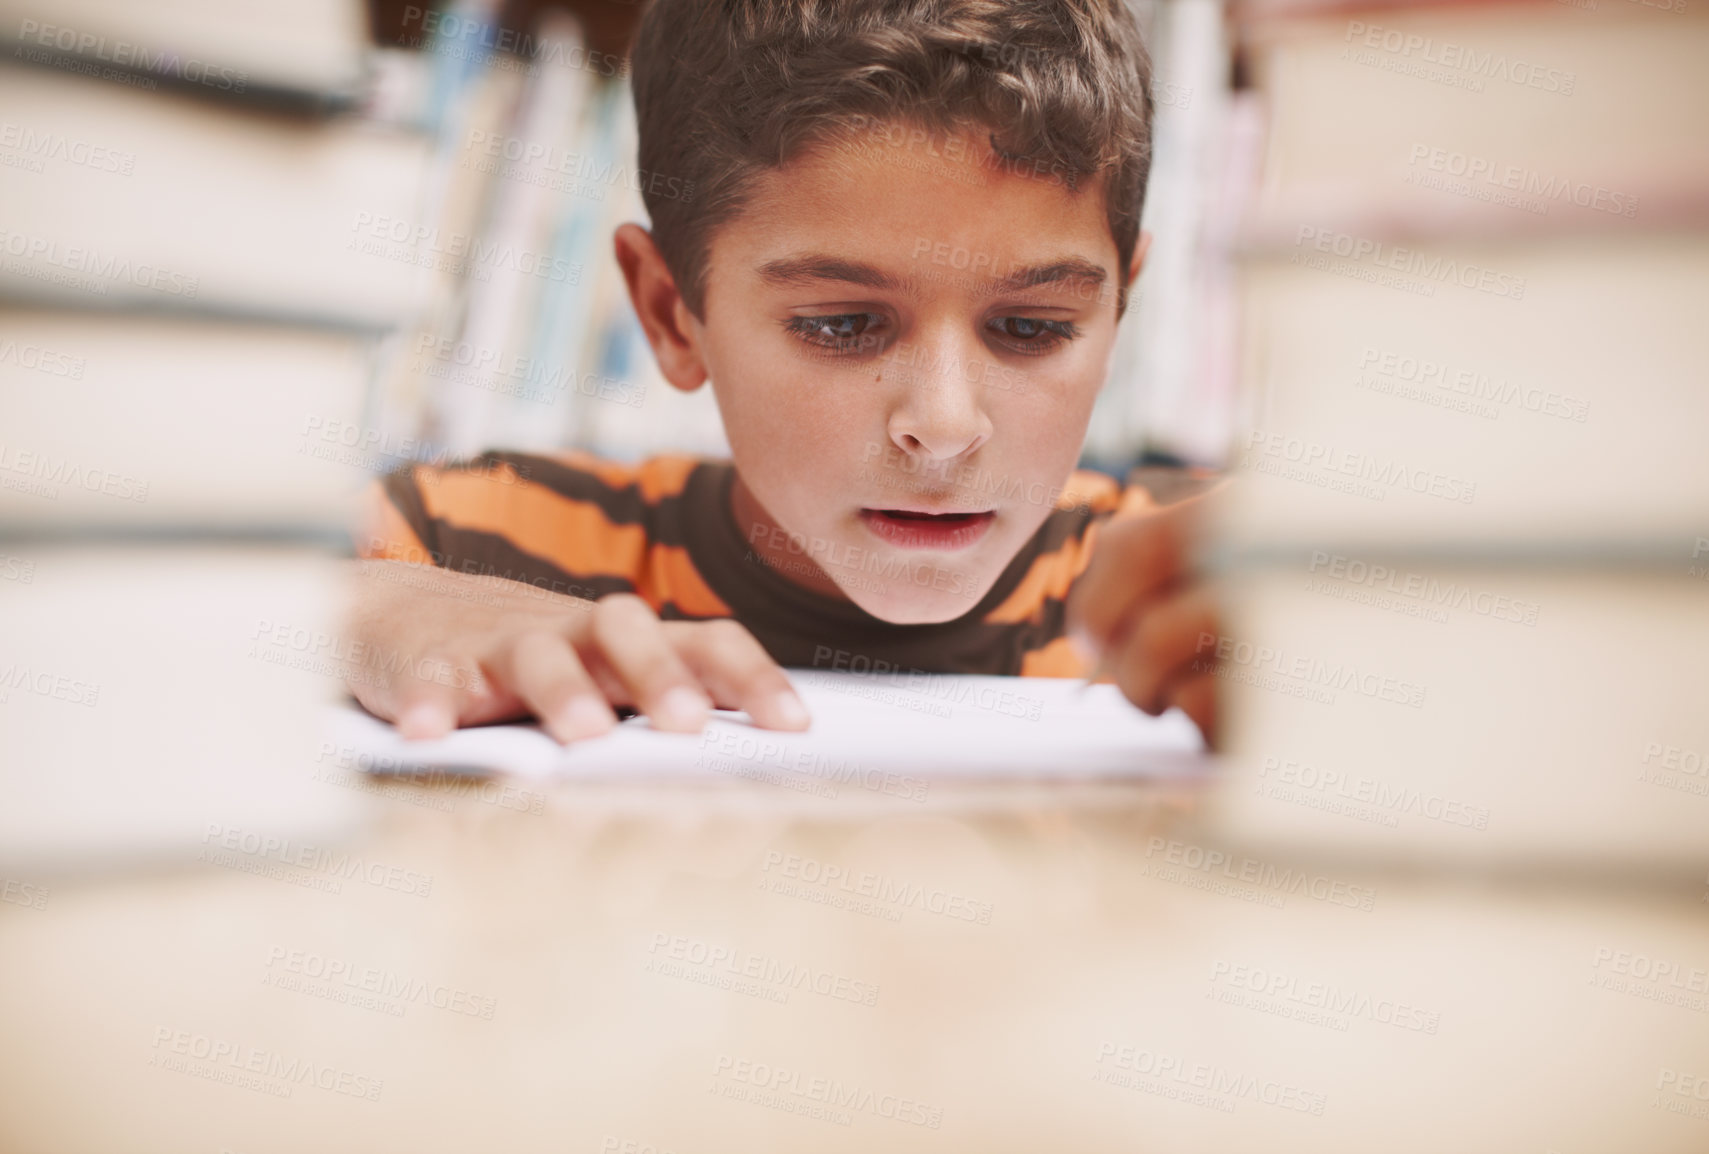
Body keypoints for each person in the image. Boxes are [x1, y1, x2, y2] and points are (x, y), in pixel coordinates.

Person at [346, 0, 1217, 745]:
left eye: (1034, 327)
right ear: (668, 313)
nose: (945, 425)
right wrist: (366, 609)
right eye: (841, 324)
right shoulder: (468, 535)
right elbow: (248, 586)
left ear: (1118, 315)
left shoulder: (1181, 595)